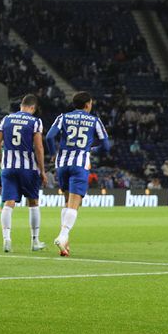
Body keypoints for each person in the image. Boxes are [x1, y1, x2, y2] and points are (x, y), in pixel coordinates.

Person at [45, 92, 110, 257]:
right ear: (88, 104)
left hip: (62, 165)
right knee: (75, 204)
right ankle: (62, 236)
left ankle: (65, 243)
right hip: (80, 165)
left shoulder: (63, 117)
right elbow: (106, 144)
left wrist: (53, 154)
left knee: (66, 201)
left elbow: (49, 137)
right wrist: (92, 149)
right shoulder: (94, 120)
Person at [0, 94, 47, 253]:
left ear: (21, 105)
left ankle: (6, 239)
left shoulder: (6, 119)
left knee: (8, 204)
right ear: (33, 108)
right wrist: (42, 170)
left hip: (8, 167)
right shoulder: (35, 121)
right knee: (33, 202)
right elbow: (38, 148)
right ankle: (35, 241)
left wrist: (3, 161)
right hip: (28, 168)